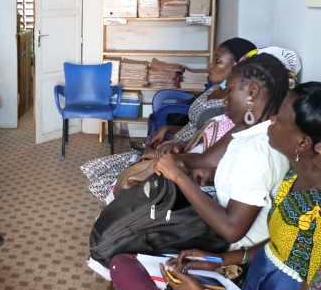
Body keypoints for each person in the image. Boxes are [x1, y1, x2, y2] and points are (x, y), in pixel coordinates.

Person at [155, 82, 321, 290]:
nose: (272, 119)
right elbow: (282, 244)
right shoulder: (294, 177)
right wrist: (220, 260)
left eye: (280, 119)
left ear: (303, 143)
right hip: (259, 283)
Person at [81, 37, 256, 202]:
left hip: (179, 155)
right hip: (173, 144)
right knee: (99, 170)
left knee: (117, 177)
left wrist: (174, 149)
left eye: (217, 62)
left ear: (238, 66)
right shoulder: (215, 89)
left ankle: (119, 214)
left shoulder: (233, 104)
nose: (210, 67)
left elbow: (206, 143)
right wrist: (168, 129)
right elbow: (195, 124)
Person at [155, 54, 290, 249]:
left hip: (228, 246)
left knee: (135, 234)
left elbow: (231, 230)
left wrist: (178, 177)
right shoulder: (251, 130)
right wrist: (214, 173)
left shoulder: (258, 149)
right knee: (141, 219)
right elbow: (209, 161)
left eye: (231, 90)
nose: (225, 99)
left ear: (252, 92)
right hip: (214, 226)